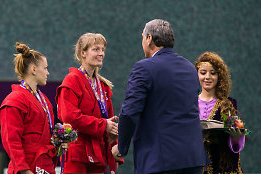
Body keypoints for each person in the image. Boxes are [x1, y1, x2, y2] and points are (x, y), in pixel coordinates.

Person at [111, 19, 207, 174]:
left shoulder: (144, 68)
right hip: (192, 158)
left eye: (143, 37)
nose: (142, 42)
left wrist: (121, 147)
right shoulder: (190, 68)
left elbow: (129, 113)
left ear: (149, 39)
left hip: (160, 160)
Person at [55, 33, 124, 174]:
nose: (101, 54)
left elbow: (110, 123)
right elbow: (70, 117)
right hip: (78, 154)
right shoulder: (72, 81)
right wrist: (103, 125)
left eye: (103, 49)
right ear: (83, 53)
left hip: (100, 154)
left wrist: (116, 156)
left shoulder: (103, 86)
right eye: (96, 49)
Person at [0, 42, 67, 174]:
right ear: (33, 69)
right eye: (45, 68)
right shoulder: (14, 100)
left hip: (45, 165)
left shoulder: (44, 99)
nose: (48, 72)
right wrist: (23, 170)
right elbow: (11, 140)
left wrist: (58, 142)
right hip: (27, 166)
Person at [195, 51, 247, 174]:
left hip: (222, 168)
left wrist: (236, 138)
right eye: (203, 73)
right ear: (196, 74)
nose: (207, 77)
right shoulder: (189, 103)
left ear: (219, 76)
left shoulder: (228, 105)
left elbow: (234, 140)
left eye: (213, 73)